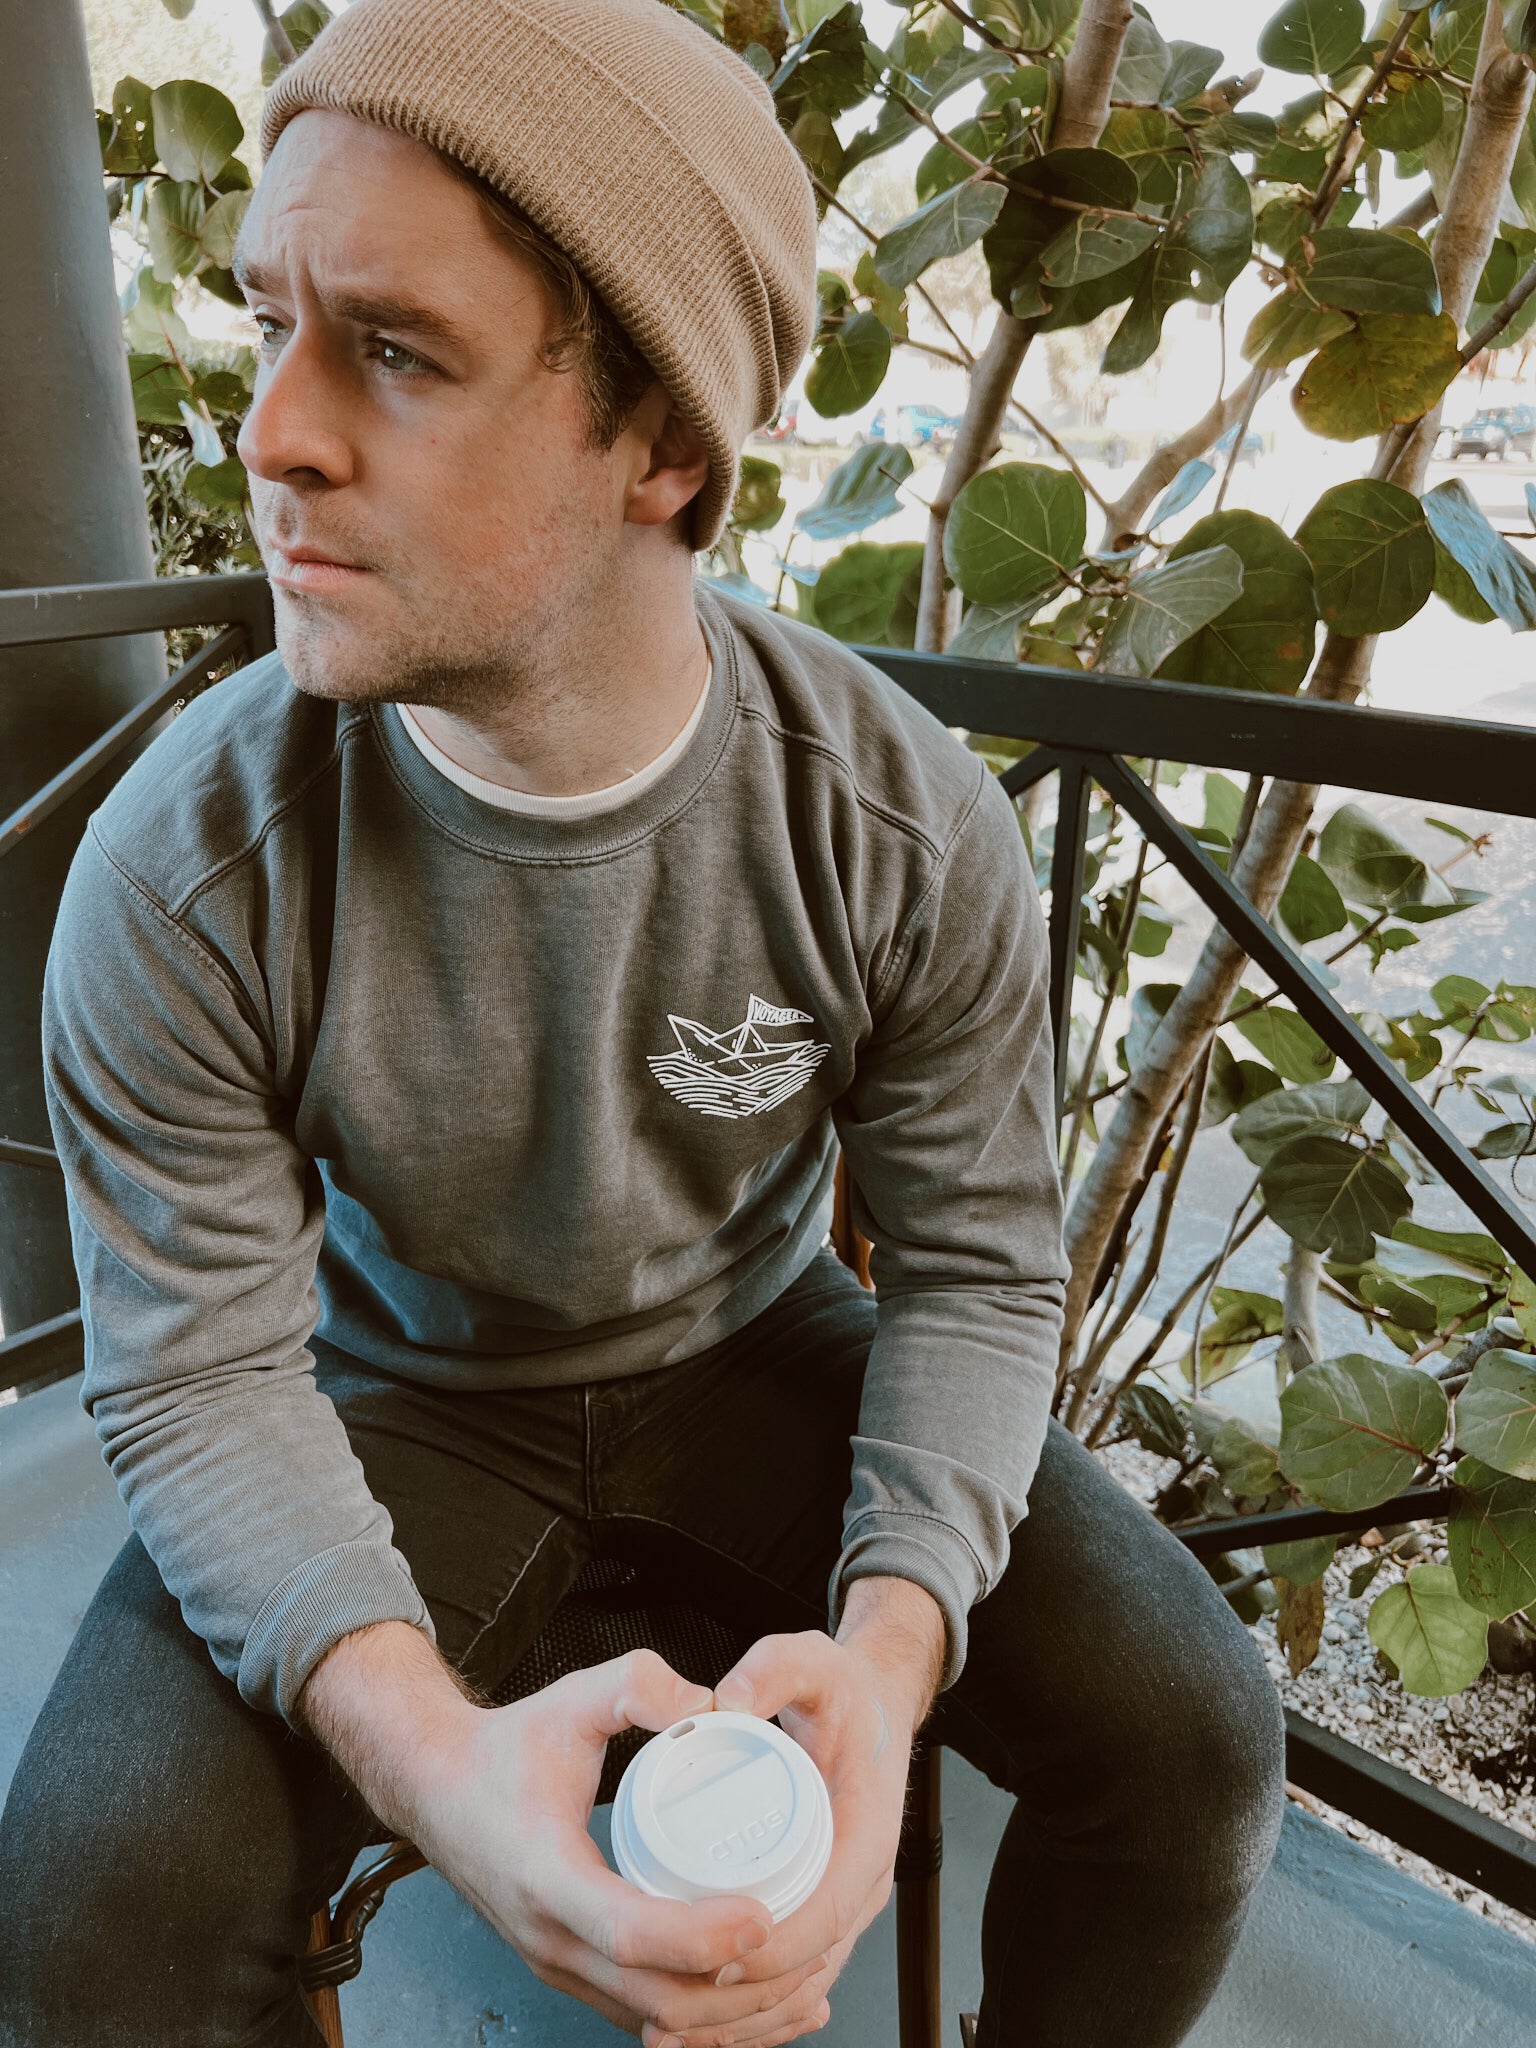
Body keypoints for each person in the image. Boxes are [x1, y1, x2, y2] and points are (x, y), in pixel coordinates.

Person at [0, 3, 1285, 2043]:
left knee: (1193, 1738)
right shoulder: (184, 868)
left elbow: (974, 1268)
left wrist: (888, 1657)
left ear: (666, 447)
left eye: (396, 351)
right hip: (391, 1395)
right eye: (268, 326)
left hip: (761, 1355)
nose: (272, 434)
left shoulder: (886, 817)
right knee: (93, 1914)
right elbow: (201, 1378)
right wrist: (448, 1775)